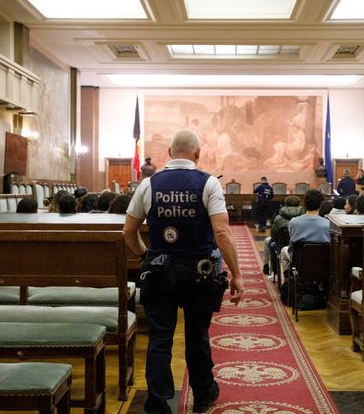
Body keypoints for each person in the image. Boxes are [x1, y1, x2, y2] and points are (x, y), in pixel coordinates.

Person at [122, 129, 244, 414]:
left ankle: (157, 402)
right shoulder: (208, 183)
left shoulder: (149, 184)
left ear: (168, 153)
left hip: (159, 272)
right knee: (197, 334)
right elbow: (222, 233)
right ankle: (203, 394)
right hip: (199, 274)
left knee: (160, 337)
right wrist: (237, 274)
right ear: (198, 154)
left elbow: (128, 231)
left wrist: (145, 255)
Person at [279, 189, 330, 284]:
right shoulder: (328, 224)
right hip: (322, 262)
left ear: (304, 203)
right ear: (320, 204)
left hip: (299, 261)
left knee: (283, 251)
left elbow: (292, 242)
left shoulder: (294, 222)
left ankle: (289, 282)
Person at [263, 195, 305, 275]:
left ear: (285, 204)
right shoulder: (305, 218)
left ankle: (273, 271)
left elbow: (274, 235)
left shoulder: (278, 218)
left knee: (271, 244)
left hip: (282, 246)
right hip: (300, 248)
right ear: (299, 204)